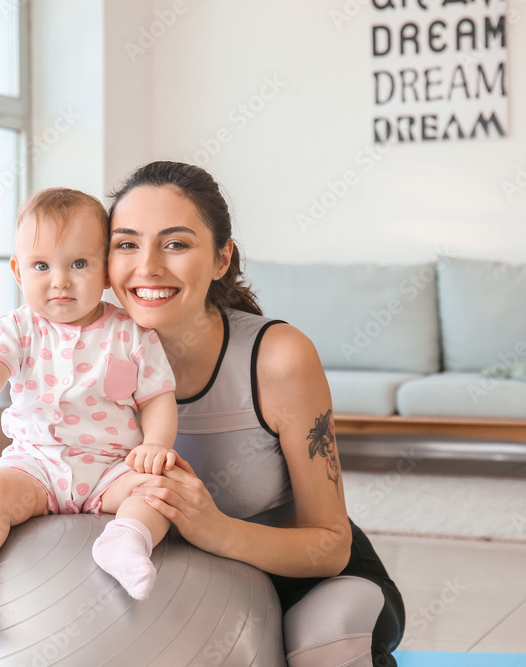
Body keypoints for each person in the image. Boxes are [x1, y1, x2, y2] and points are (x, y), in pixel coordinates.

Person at [107, 161, 405, 666]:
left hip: (308, 586)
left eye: (176, 244)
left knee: (322, 641)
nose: (149, 266)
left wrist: (215, 529)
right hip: (187, 582)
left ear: (222, 258)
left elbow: (331, 544)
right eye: (126, 243)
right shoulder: (88, 357)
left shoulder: (277, 357)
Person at [0, 187, 179, 618]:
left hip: (112, 467)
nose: (60, 280)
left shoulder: (131, 332)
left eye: (79, 264)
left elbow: (157, 398)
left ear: (107, 271)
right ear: (19, 272)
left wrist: (155, 444)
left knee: (159, 492)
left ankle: (126, 541)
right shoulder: (19, 328)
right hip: (35, 465)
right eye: (42, 266)